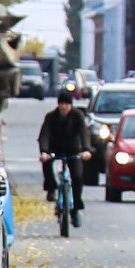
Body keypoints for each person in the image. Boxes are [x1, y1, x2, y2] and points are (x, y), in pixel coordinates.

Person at [35, 87, 92, 221]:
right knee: (46, 162)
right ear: (58, 104)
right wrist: (44, 151)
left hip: (73, 149)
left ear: (71, 105)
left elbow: (84, 133)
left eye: (67, 104)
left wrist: (86, 149)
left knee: (77, 176)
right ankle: (51, 188)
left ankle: (76, 208)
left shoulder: (77, 116)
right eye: (62, 104)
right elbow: (45, 135)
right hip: (55, 148)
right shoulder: (51, 117)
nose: (64, 107)